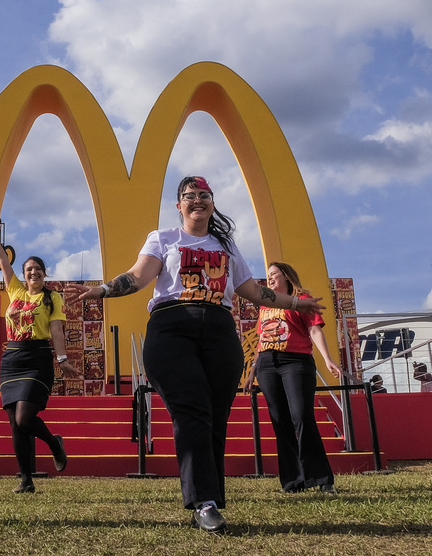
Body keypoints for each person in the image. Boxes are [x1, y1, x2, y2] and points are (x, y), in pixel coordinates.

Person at [65, 176, 324, 535]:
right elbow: (138, 276)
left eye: (204, 195)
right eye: (190, 196)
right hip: (172, 327)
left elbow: (253, 291)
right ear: (179, 205)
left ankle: (210, 499)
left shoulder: (226, 246)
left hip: (219, 329)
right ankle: (204, 502)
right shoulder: (163, 239)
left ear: (213, 203)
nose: (198, 200)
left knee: (215, 417)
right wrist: (103, 289)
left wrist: (296, 302)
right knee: (192, 412)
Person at [0, 223, 81, 493]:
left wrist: (62, 359)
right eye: (29, 269)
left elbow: (56, 330)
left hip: (37, 359)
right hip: (11, 360)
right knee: (15, 425)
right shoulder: (16, 291)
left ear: (44, 273)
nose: (33, 272)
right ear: (24, 275)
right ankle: (26, 480)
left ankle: (54, 443)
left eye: (38, 269)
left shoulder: (52, 298)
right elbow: (4, 262)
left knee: (24, 419)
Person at [243, 262, 339, 495]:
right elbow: (262, 338)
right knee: (280, 421)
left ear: (286, 276)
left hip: (296, 361)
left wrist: (327, 359)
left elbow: (315, 330)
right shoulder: (266, 303)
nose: (270, 278)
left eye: (274, 274)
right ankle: (293, 481)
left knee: (301, 416)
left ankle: (321, 478)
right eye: (268, 275)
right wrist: (253, 369)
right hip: (267, 364)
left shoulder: (302, 299)